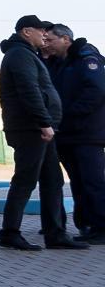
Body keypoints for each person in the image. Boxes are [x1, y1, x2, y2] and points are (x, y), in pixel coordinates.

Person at [0, 15, 86, 250]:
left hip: (39, 128)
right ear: (27, 32)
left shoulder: (28, 54)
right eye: (41, 30)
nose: (45, 35)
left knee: (53, 180)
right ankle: (9, 233)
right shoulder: (19, 55)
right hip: (31, 129)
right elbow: (29, 90)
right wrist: (44, 122)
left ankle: (55, 234)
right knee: (25, 180)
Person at [44, 23, 105, 243]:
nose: (46, 44)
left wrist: (68, 114)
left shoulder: (86, 59)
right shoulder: (57, 63)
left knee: (93, 182)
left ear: (65, 39)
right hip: (67, 134)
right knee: (78, 183)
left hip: (87, 133)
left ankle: (102, 228)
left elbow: (96, 91)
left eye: (50, 40)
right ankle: (86, 226)